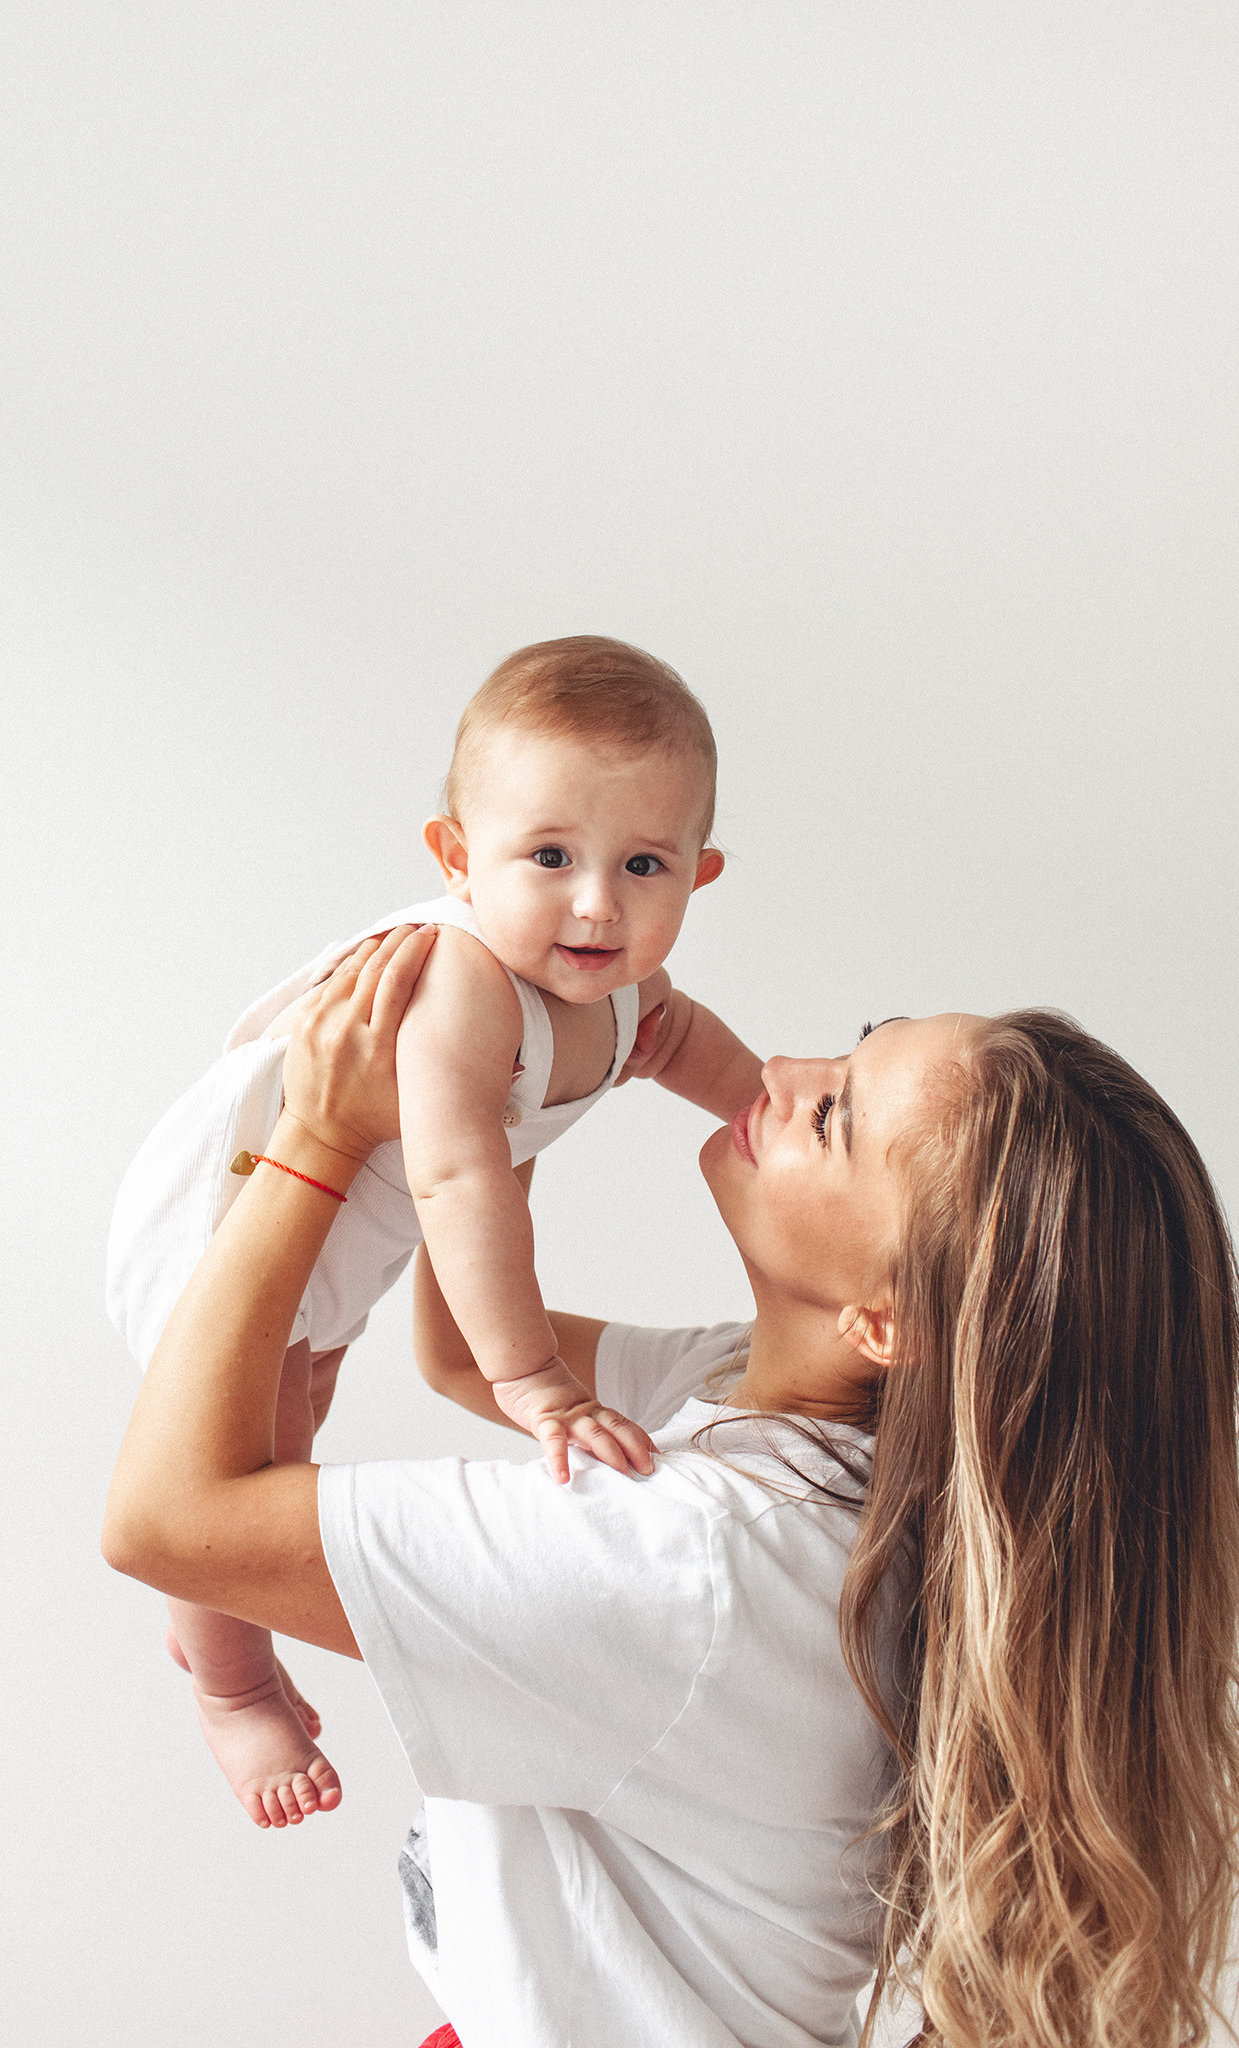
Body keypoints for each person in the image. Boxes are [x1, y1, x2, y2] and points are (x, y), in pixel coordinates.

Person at [103, 929, 1239, 2048]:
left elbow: (166, 1520)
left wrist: (311, 1139)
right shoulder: (810, 1439)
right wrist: (485, 1088)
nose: (777, 1069)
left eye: (833, 1115)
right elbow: (468, 1359)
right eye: (853, 1038)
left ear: (886, 1320)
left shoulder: (698, 1560)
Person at [105, 635, 764, 1829]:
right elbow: (463, 1177)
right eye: (550, 854)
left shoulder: (625, 989)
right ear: (458, 859)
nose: (596, 901)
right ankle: (235, 1683)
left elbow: (691, 1047)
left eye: (644, 863)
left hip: (342, 1250)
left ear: (700, 874)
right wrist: (537, 1382)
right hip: (237, 1218)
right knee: (254, 1461)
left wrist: (763, 1104)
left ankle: (211, 1624)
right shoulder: (466, 980)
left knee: (299, 1404)